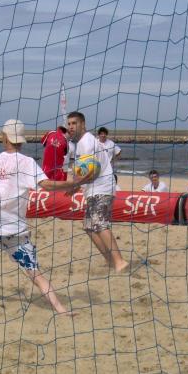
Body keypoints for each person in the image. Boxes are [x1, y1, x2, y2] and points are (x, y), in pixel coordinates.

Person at [0, 119, 85, 315]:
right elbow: (46, 185)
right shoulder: (27, 162)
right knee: (35, 273)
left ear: (4, 138)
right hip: (13, 231)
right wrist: (73, 184)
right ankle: (61, 310)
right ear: (21, 141)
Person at [67, 111, 129, 273]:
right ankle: (110, 260)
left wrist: (75, 186)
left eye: (74, 123)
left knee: (100, 224)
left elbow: (93, 171)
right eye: (69, 124)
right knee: (89, 226)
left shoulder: (87, 142)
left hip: (102, 186)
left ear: (83, 124)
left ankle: (119, 262)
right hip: (93, 188)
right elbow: (84, 171)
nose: (71, 127)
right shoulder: (80, 144)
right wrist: (77, 184)